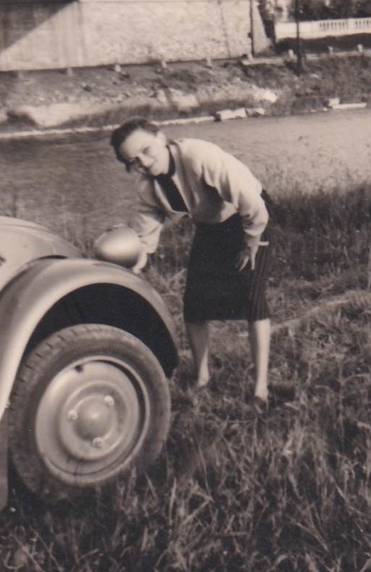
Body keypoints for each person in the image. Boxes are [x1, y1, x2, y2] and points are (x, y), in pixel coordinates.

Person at [109, 117, 272, 405]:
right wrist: (139, 260)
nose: (144, 163)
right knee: (194, 305)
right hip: (210, 225)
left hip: (251, 218)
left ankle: (260, 389)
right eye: (133, 161)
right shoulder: (146, 186)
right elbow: (147, 228)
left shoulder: (199, 155)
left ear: (162, 137)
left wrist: (251, 244)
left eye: (146, 150)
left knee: (253, 299)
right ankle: (202, 377)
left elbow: (251, 203)